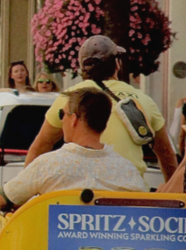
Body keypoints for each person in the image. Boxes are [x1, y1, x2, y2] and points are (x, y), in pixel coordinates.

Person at [22, 33, 176, 180]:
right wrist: (174, 195)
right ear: (117, 64)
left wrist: (23, 191)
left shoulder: (70, 98)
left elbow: (41, 146)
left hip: (82, 194)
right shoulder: (143, 100)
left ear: (83, 67)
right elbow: (166, 154)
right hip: (130, 194)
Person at [0, 88, 147, 217]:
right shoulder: (127, 170)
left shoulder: (48, 165)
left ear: (74, 119)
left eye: (62, 114)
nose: (61, 119)